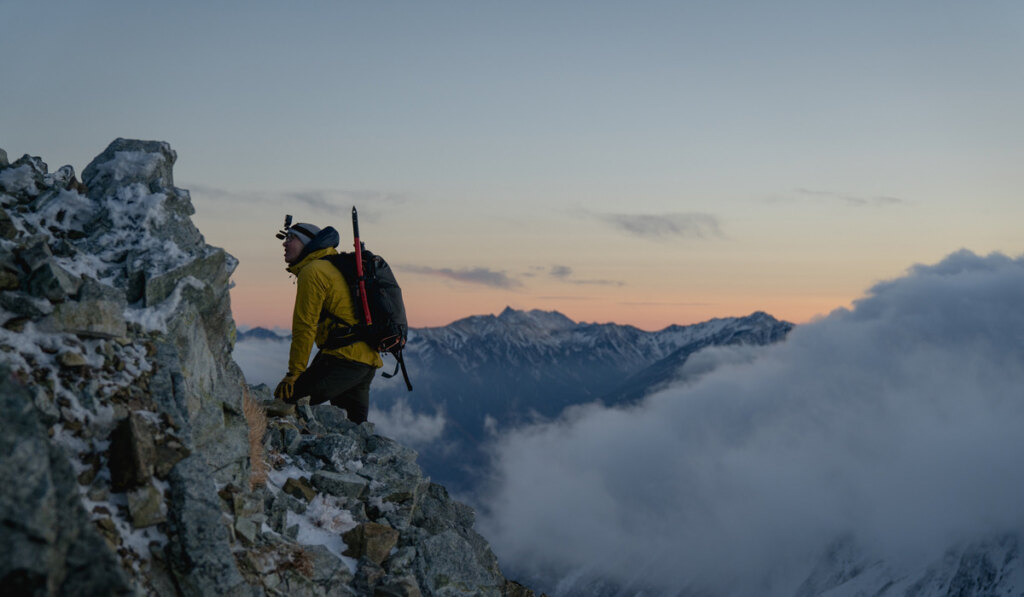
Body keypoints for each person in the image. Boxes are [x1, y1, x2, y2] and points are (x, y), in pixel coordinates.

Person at [273, 222, 383, 423]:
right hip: (365, 359)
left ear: (307, 243)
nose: (285, 244)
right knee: (353, 428)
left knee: (285, 402)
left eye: (291, 238)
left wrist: (294, 373)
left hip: (344, 359)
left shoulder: (314, 271)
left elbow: (305, 327)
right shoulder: (333, 265)